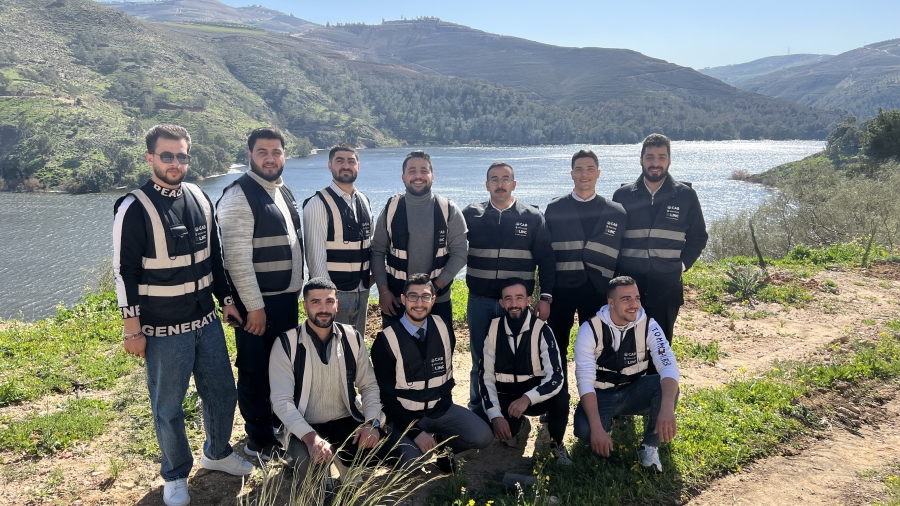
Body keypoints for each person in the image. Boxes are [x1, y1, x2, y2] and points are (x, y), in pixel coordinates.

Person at [113, 124, 252, 506]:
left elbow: (214, 258)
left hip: (206, 321)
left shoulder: (200, 197)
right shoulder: (133, 207)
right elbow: (125, 273)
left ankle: (217, 452)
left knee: (222, 392)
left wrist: (226, 300)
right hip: (162, 328)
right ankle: (175, 474)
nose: (175, 163)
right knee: (169, 406)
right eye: (167, 155)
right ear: (150, 158)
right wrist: (132, 329)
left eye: (182, 155)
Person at [217, 127, 305, 461]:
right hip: (258, 303)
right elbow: (236, 259)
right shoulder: (239, 195)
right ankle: (259, 440)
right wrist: (254, 307)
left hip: (284, 300)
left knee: (280, 366)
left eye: (276, 151)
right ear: (249, 155)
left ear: (284, 155)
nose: (270, 158)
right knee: (255, 370)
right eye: (262, 152)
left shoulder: (282, 190)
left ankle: (276, 423)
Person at [371, 273, 493, 470]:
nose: (419, 303)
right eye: (413, 296)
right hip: (405, 417)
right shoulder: (386, 341)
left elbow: (445, 375)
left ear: (433, 299)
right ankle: (400, 441)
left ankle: (444, 447)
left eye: (425, 297)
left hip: (440, 411)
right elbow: (386, 396)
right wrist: (415, 432)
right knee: (412, 462)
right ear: (403, 299)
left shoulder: (444, 327)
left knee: (483, 436)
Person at [268, 277, 384, 483]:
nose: (323, 308)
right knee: (316, 484)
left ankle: (342, 462)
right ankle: (309, 465)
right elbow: (281, 400)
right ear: (305, 306)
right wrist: (310, 438)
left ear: (337, 305)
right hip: (307, 425)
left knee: (378, 446)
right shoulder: (286, 344)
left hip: (346, 420)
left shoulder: (352, 337)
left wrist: (370, 424)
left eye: (329, 301)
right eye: (316, 302)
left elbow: (368, 386)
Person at [462, 161, 555, 413]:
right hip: (480, 301)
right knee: (480, 360)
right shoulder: (471, 214)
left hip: (516, 305)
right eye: (494, 179)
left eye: (505, 179)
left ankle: (511, 411)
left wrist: (545, 297)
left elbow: (546, 259)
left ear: (514, 184)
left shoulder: (532, 217)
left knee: (516, 358)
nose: (500, 184)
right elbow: (450, 244)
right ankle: (477, 410)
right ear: (487, 185)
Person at [573, 276, 680, 472]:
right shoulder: (590, 329)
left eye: (637, 298)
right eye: (626, 299)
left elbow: (668, 365)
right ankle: (606, 424)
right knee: (585, 431)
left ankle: (650, 447)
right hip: (601, 394)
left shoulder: (649, 325)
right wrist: (597, 428)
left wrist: (667, 407)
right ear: (611, 302)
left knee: (665, 386)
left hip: (634, 391)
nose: (634, 305)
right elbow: (584, 381)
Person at [612, 134, 708, 346]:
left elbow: (699, 236)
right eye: (650, 157)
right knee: (628, 348)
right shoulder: (622, 195)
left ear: (669, 160)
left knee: (661, 349)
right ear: (641, 159)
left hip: (667, 287)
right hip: (629, 287)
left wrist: (681, 266)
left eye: (661, 157)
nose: (655, 163)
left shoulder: (686, 195)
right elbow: (613, 239)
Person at [544, 149, 627, 376]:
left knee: (597, 347)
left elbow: (621, 259)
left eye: (590, 169)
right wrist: (545, 294)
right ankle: (558, 395)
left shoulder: (616, 213)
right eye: (579, 169)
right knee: (556, 346)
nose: (584, 174)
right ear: (571, 174)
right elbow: (546, 256)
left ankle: (595, 394)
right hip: (561, 290)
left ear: (598, 173)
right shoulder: (555, 209)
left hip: (599, 291)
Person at [477, 278, 571, 465]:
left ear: (528, 300)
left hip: (535, 396)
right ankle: (519, 426)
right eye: (508, 299)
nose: (514, 304)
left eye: (519, 298)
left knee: (561, 398)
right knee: (483, 430)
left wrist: (528, 398)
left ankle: (556, 445)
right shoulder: (493, 328)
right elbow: (485, 376)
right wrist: (495, 415)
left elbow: (556, 377)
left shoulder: (543, 330)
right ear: (501, 303)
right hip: (506, 396)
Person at [370, 150, 468, 327]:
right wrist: (383, 291)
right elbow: (377, 251)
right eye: (412, 171)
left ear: (432, 176)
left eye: (424, 171)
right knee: (394, 346)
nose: (418, 176)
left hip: (438, 300)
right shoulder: (391, 209)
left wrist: (433, 289)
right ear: (403, 177)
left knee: (440, 345)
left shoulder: (448, 209)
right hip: (397, 301)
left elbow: (460, 254)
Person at [302, 143, 374, 335]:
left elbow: (370, 243)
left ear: (358, 166)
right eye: (340, 161)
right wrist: (328, 299)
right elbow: (315, 257)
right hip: (337, 293)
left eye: (351, 161)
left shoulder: (364, 201)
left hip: (362, 290)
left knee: (356, 342)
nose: (346, 165)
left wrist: (373, 277)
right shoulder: (318, 203)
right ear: (330, 166)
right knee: (332, 343)